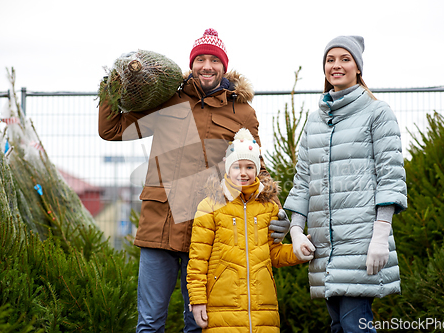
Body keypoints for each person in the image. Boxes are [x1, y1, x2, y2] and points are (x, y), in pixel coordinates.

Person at [98, 29, 290, 333]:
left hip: (208, 229)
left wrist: (276, 210)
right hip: (159, 224)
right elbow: (112, 129)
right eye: (200, 59)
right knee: (149, 324)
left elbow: (257, 167)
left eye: (214, 60)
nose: (207, 66)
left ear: (224, 67)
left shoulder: (242, 112)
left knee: (197, 324)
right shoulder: (167, 100)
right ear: (192, 64)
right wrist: (110, 86)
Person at [283, 35, 407, 333]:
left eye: (344, 59)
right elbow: (303, 181)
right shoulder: (315, 121)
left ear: (358, 68)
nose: (336, 65)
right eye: (330, 60)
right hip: (324, 248)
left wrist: (380, 236)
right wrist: (296, 230)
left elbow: (390, 177)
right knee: (340, 326)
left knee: (355, 326)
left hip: (362, 244)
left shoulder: (378, 113)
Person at [186, 128, 308, 332]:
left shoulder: (268, 207)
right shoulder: (209, 206)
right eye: (237, 166)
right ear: (227, 168)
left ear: (257, 170)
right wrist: (197, 300)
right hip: (221, 311)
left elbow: (273, 254)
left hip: (263, 311)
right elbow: (198, 260)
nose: (243, 172)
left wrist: (297, 251)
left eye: (249, 167)